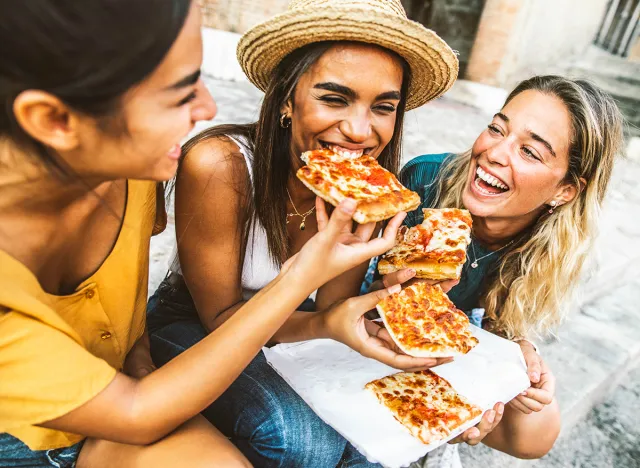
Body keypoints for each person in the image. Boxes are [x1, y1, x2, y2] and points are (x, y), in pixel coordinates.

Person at [0, 1, 407, 467]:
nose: (209, 108)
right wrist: (301, 280)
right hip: (26, 437)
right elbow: (135, 412)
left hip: (130, 385)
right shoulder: (201, 163)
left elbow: (119, 324)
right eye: (177, 92)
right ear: (55, 121)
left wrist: (139, 356)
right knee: (300, 440)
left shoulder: (133, 171)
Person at [146, 0, 463, 466]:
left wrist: (400, 301)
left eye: (383, 107)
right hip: (194, 324)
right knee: (304, 443)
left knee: (373, 440)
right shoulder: (220, 164)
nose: (359, 130)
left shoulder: (369, 192)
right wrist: (326, 324)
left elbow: (332, 310)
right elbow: (219, 317)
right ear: (286, 101)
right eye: (334, 99)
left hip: (294, 329)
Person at [376, 74, 624, 463]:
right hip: (376, 327)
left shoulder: (551, 248)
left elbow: (495, 330)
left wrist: (519, 353)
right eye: (496, 129)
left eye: (529, 152)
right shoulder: (425, 180)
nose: (494, 152)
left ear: (564, 190)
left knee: (535, 431)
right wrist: (391, 283)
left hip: (457, 339)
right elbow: (359, 290)